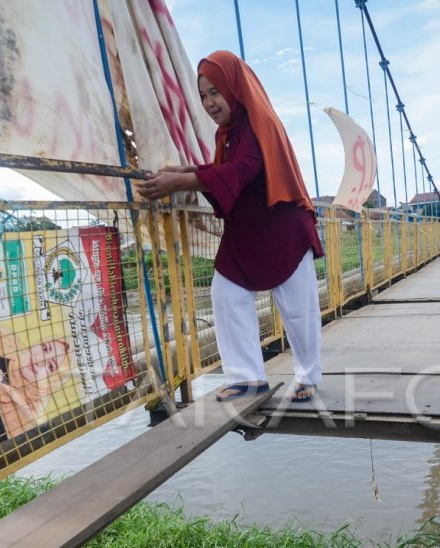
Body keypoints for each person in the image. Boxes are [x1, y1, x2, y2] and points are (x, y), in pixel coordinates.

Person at [137, 50, 323, 403]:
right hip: (249, 230)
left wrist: (181, 182)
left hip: (283, 230)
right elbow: (225, 169)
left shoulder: (257, 124)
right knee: (226, 293)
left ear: (235, 89)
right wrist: (184, 172)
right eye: (203, 94)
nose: (209, 102)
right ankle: (247, 378)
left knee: (299, 311)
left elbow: (243, 169)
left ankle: (308, 376)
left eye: (215, 92)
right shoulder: (229, 133)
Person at [0, 324, 75, 438]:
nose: (39, 360)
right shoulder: (3, 339)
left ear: (50, 380)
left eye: (50, 366)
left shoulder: (24, 419)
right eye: (45, 348)